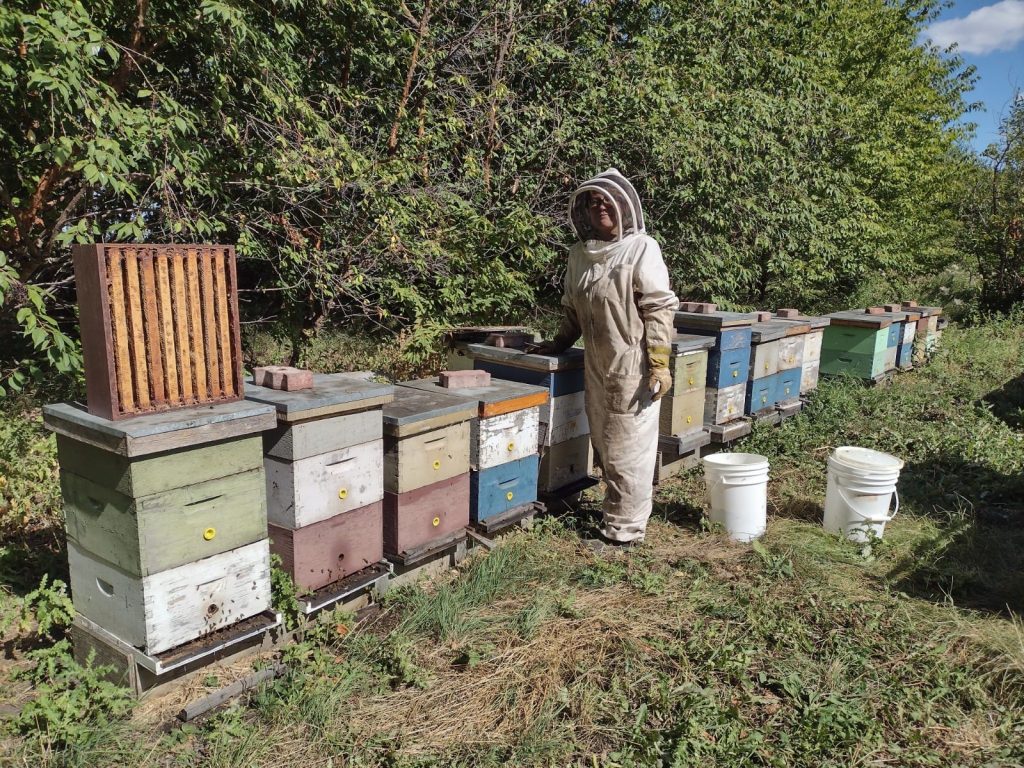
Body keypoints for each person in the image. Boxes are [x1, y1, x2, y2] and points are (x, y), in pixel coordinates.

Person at [537, 169, 678, 549]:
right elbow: (572, 311)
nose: (599, 206)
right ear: (581, 210)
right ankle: (615, 514)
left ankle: (624, 533)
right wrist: (557, 343)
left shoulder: (641, 248)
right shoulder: (579, 255)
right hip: (596, 366)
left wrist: (659, 362)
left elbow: (658, 308)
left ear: (624, 206)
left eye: (606, 201)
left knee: (627, 452)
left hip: (632, 367)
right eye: (592, 201)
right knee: (604, 444)